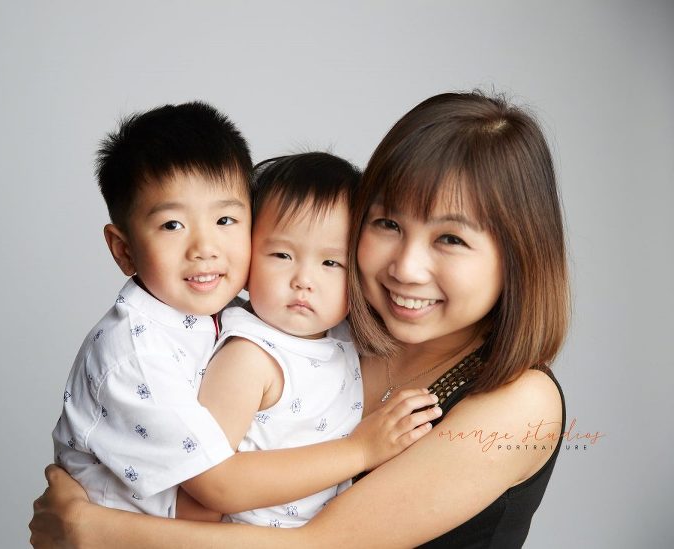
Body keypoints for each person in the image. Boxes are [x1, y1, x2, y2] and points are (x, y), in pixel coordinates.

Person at [31, 91, 569, 548]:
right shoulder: (322, 336)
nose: (405, 267)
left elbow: (319, 546)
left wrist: (95, 529)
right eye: (386, 222)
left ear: (518, 254)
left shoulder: (520, 404)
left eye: (450, 239)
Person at [53, 104, 437, 521]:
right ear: (124, 250)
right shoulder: (139, 355)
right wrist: (362, 449)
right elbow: (212, 492)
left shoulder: (244, 314)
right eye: (172, 225)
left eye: (224, 219)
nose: (205, 248)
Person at [183, 152, 439, 528]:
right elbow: (199, 485)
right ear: (247, 254)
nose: (303, 279)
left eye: (331, 263)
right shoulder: (249, 357)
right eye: (282, 254)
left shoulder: (343, 338)